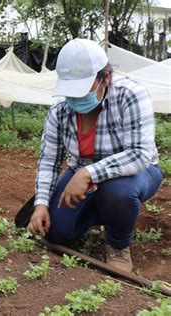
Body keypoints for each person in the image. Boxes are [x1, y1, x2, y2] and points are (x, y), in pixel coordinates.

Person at [27, 39, 163, 272]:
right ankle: (103, 210)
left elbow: (140, 154)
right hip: (83, 169)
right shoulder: (60, 110)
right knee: (57, 232)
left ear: (105, 79)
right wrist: (40, 203)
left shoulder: (130, 95)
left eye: (82, 89)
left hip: (136, 172)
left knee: (117, 192)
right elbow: (49, 159)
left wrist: (88, 173)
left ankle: (118, 243)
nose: (75, 98)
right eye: (70, 90)